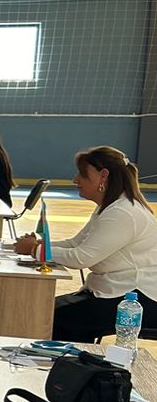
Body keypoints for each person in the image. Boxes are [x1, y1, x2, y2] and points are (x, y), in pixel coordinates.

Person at [16, 147, 157, 342]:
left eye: (82, 174)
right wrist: (41, 245)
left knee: (50, 317)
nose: (75, 179)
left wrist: (35, 250)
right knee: (44, 311)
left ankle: (71, 365)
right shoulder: (110, 207)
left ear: (103, 176)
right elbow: (75, 243)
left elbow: (81, 258)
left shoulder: (123, 212)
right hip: (115, 292)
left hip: (136, 299)